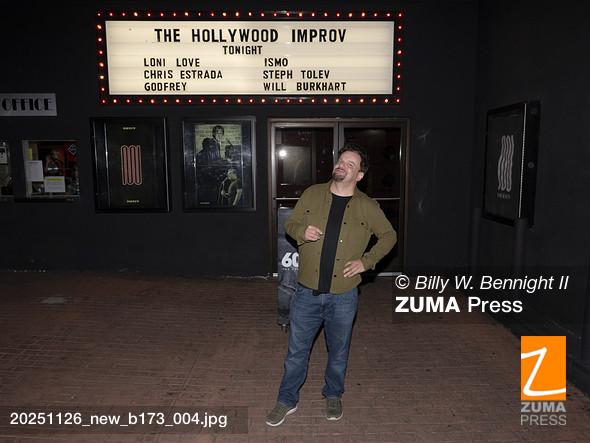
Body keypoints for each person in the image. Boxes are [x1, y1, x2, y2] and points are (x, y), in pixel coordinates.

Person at [266, 145, 397, 426]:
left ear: (359, 175)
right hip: (306, 293)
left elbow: (389, 236)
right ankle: (286, 400)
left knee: (338, 352)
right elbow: (292, 224)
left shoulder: (367, 206)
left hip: (343, 296)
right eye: (341, 161)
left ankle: (333, 394)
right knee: (296, 352)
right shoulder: (313, 193)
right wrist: (301, 231)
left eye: (350, 164)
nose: (342, 165)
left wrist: (366, 261)